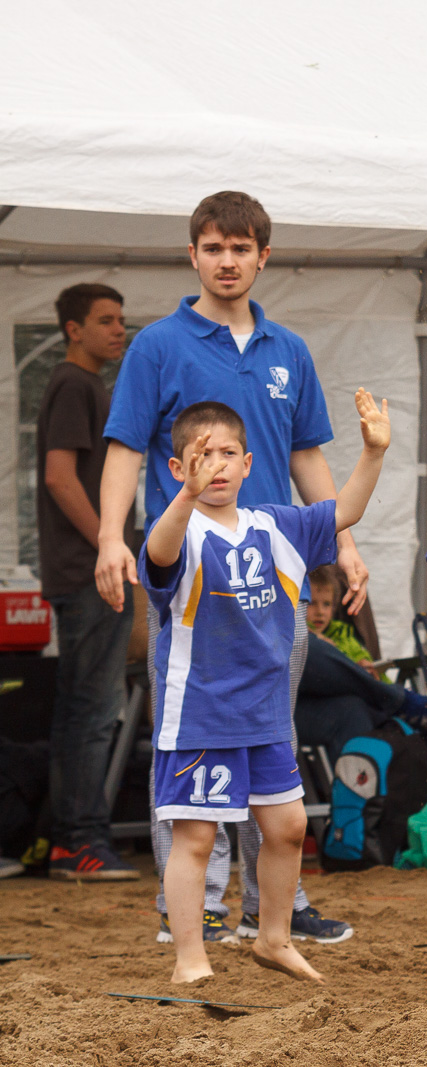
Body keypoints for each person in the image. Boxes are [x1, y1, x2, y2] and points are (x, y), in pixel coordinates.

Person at [97, 191, 357, 945]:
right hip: (192, 583)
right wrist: (114, 535)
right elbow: (122, 446)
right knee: (190, 730)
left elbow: (307, 453)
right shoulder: (157, 345)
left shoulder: (290, 351)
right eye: (214, 247)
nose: (228, 260)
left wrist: (342, 543)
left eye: (242, 248)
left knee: (272, 729)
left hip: (274, 579)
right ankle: (199, 906)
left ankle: (277, 903)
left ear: (263, 257)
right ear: (194, 255)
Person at [143, 391, 388, 983]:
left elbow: (343, 511)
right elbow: (157, 552)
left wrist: (374, 451)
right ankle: (190, 959)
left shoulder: (276, 523)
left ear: (249, 464)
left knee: (288, 827)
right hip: (201, 715)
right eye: (202, 455)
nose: (217, 464)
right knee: (196, 840)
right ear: (177, 468)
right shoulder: (181, 527)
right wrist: (184, 498)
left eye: (229, 453)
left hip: (266, 714)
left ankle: (274, 938)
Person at [38, 283, 140, 880]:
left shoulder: (89, 385)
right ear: (74, 329)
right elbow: (59, 477)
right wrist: (114, 545)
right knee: (90, 711)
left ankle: (71, 839)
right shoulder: (74, 384)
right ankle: (79, 841)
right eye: (105, 320)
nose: (118, 330)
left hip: (89, 571)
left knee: (85, 708)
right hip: (89, 575)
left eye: (121, 319)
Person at [296, 566, 427, 757]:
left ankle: (366, 783)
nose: (319, 612)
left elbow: (359, 662)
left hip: (328, 698)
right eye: (312, 604)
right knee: (306, 646)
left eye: (326, 604)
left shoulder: (342, 633)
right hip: (284, 700)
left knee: (353, 710)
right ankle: (402, 703)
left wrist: (360, 664)